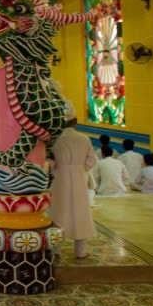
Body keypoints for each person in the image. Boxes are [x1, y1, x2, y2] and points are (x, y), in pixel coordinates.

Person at [49, 101, 98, 259]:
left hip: (60, 178)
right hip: (79, 179)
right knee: (80, 214)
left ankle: (56, 250)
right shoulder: (84, 139)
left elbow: (50, 162)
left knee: (59, 213)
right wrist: (79, 168)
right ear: (76, 122)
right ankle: (81, 251)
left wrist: (57, 168)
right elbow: (92, 161)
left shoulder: (55, 140)